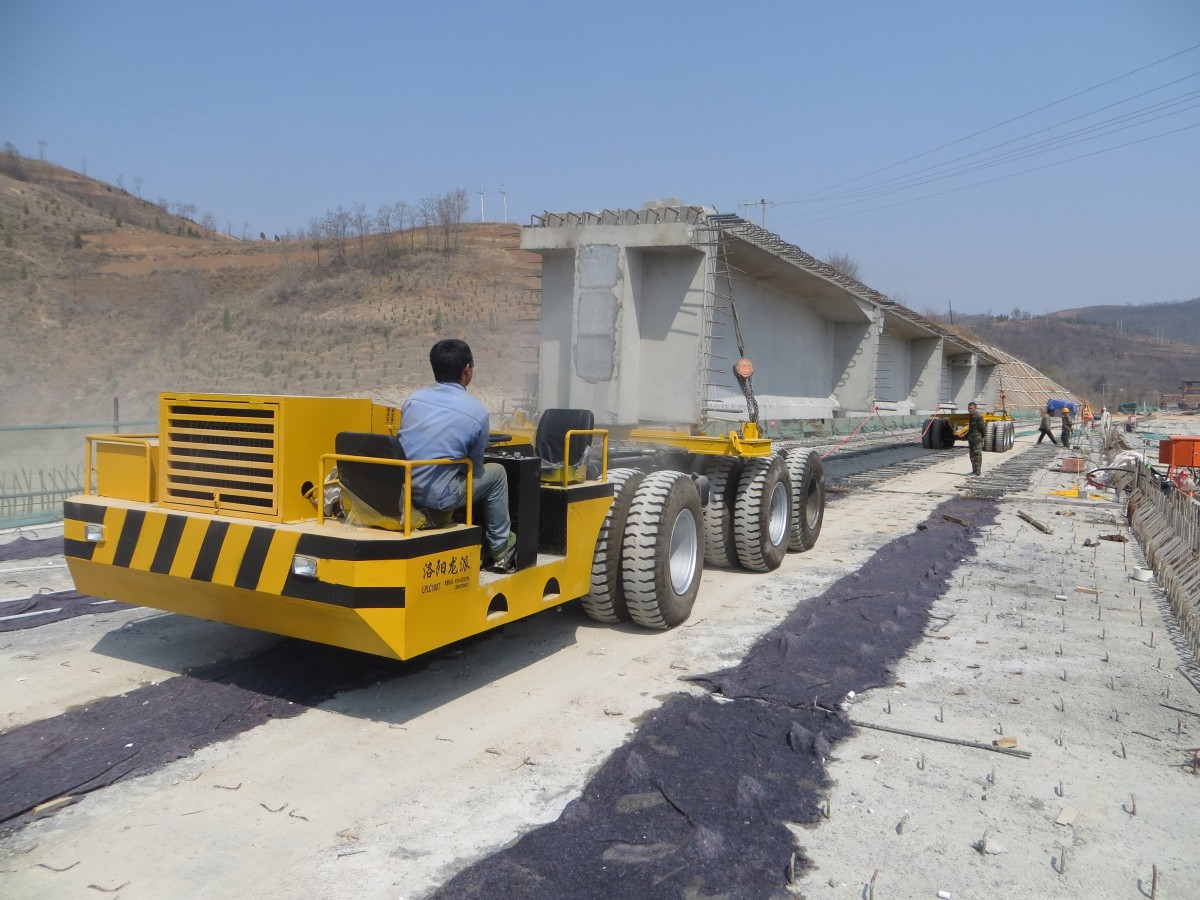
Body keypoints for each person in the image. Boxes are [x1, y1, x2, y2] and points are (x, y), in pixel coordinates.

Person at [399, 339, 517, 570]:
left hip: (404, 487)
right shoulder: (477, 412)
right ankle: (501, 547)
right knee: (497, 474)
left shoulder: (412, 400)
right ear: (467, 369)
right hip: (438, 497)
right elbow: (474, 466)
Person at [957, 401, 986, 476]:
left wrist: (983, 436)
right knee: (972, 455)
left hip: (977, 439)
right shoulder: (971, 417)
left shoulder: (978, 417)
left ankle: (977, 472)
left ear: (975, 408)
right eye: (969, 408)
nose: (969, 410)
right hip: (972, 439)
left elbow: (982, 428)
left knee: (977, 455)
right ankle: (974, 470)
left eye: (971, 408)